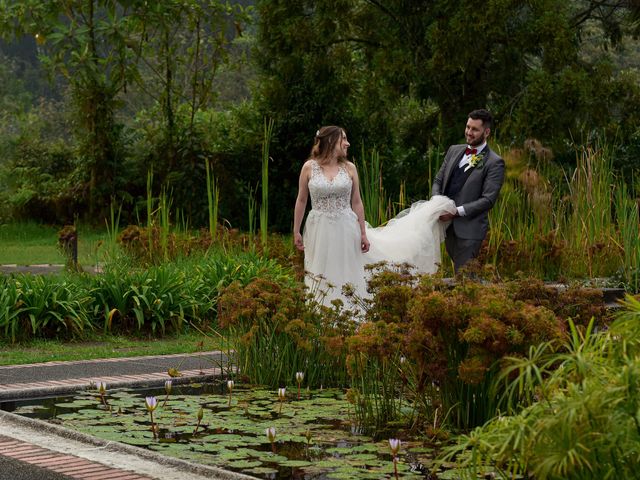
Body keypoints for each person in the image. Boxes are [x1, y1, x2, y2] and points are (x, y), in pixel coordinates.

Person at [293, 126, 370, 307]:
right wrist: (296, 230)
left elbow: (357, 202)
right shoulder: (308, 167)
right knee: (320, 271)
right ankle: (320, 313)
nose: (347, 143)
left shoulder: (350, 168)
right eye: (343, 139)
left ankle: (350, 313)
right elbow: (302, 200)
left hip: (346, 227)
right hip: (318, 228)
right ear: (330, 141)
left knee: (345, 270)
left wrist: (363, 233)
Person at [432, 109, 505, 272]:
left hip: (469, 230)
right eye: (467, 127)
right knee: (463, 277)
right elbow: (438, 181)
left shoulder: (495, 162)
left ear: (486, 132)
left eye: (474, 129)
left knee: (464, 279)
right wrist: (436, 203)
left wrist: (455, 212)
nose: (469, 132)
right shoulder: (453, 150)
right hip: (446, 227)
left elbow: (488, 200)